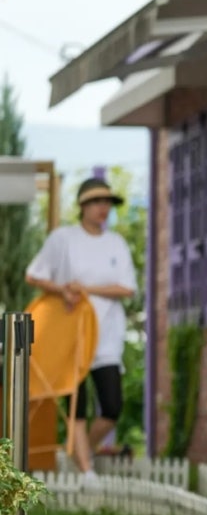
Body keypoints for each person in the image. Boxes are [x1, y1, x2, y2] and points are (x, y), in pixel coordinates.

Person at [25, 177, 137, 481]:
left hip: (107, 337)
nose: (103, 208)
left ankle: (79, 451)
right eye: (97, 202)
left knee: (112, 406)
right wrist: (63, 290)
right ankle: (87, 470)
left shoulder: (116, 243)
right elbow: (34, 275)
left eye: (108, 203)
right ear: (83, 206)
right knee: (77, 403)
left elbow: (127, 288)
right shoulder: (63, 239)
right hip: (71, 335)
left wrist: (86, 289)